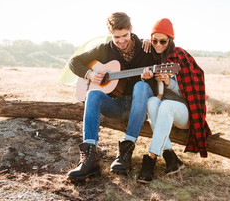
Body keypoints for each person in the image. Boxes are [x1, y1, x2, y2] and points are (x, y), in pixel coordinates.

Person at [66, 12, 156, 181]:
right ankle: (89, 157)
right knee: (92, 93)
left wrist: (149, 78)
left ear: (131, 29)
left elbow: (162, 68)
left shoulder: (146, 48)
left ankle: (124, 154)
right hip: (115, 105)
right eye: (116, 37)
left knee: (141, 86)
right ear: (110, 34)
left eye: (125, 35)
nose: (121, 41)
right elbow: (74, 62)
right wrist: (89, 75)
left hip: (139, 105)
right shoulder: (104, 50)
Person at [137, 18, 212, 183]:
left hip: (186, 112)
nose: (158, 44)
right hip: (166, 110)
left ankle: (150, 159)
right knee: (152, 102)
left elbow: (191, 93)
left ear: (170, 40)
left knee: (166, 105)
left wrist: (168, 82)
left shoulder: (180, 56)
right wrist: (146, 78)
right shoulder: (154, 58)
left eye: (162, 41)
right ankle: (171, 159)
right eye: (154, 40)